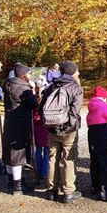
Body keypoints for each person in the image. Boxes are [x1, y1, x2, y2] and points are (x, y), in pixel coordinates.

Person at [41, 61, 83, 203]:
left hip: (52, 127)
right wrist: (68, 125)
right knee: (68, 158)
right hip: (68, 130)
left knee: (52, 158)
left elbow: (42, 106)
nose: (78, 73)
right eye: (77, 71)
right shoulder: (75, 87)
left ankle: (51, 190)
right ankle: (68, 191)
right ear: (72, 72)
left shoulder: (52, 86)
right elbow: (75, 110)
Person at [2, 63, 38, 195]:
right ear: (23, 75)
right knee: (17, 152)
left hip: (10, 121)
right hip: (20, 122)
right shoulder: (23, 88)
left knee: (9, 150)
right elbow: (33, 104)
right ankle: (17, 186)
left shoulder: (8, 84)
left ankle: (11, 179)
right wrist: (33, 92)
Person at [87, 86, 107, 201]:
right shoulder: (103, 106)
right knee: (106, 163)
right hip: (103, 136)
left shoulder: (91, 106)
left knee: (95, 162)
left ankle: (95, 187)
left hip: (92, 136)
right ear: (104, 97)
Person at [33, 106, 49, 182]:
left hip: (37, 130)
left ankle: (39, 171)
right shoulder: (47, 105)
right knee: (47, 151)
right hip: (46, 129)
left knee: (38, 150)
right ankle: (44, 172)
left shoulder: (34, 107)